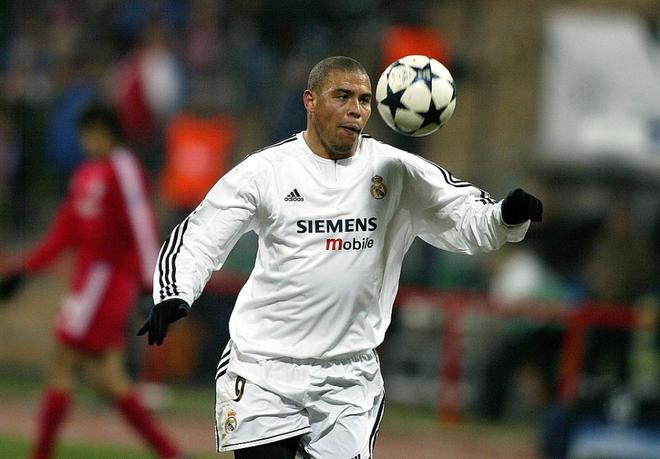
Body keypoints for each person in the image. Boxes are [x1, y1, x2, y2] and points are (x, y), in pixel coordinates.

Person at [138, 56, 543, 459]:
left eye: (364, 100)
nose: (356, 109)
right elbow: (202, 233)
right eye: (342, 96)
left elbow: (466, 217)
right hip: (264, 367)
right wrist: (175, 292)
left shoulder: (396, 170)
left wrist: (505, 216)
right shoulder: (267, 170)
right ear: (310, 101)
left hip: (349, 377)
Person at [0, 104, 184, 459]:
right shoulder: (87, 174)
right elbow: (65, 231)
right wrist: (26, 270)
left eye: (91, 133)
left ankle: (40, 455)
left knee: (63, 362)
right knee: (108, 380)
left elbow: (142, 225)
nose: (86, 141)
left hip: (107, 281)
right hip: (88, 284)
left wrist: (153, 285)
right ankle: (172, 454)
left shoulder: (123, 167)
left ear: (107, 133)